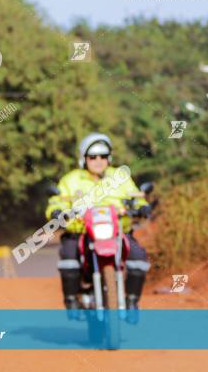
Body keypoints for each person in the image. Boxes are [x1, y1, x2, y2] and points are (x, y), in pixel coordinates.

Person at [45, 133, 151, 316]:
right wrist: (57, 211)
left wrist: (142, 207)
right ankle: (71, 300)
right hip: (81, 232)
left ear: (109, 157)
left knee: (139, 258)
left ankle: (132, 300)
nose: (98, 160)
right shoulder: (71, 180)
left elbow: (136, 197)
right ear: (84, 158)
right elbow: (57, 201)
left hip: (117, 232)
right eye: (92, 156)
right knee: (69, 257)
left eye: (103, 156)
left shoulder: (121, 177)